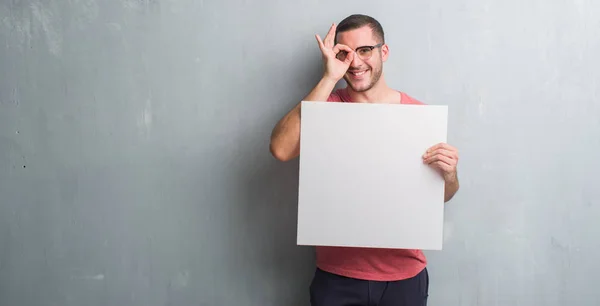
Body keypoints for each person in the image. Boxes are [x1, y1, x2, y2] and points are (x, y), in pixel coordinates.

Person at [269, 14, 460, 306]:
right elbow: (281, 149)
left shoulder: (418, 116)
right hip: (338, 277)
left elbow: (438, 196)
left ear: (384, 52)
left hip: (405, 276)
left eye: (365, 50)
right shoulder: (325, 107)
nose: (355, 62)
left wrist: (449, 175)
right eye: (345, 53)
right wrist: (329, 77)